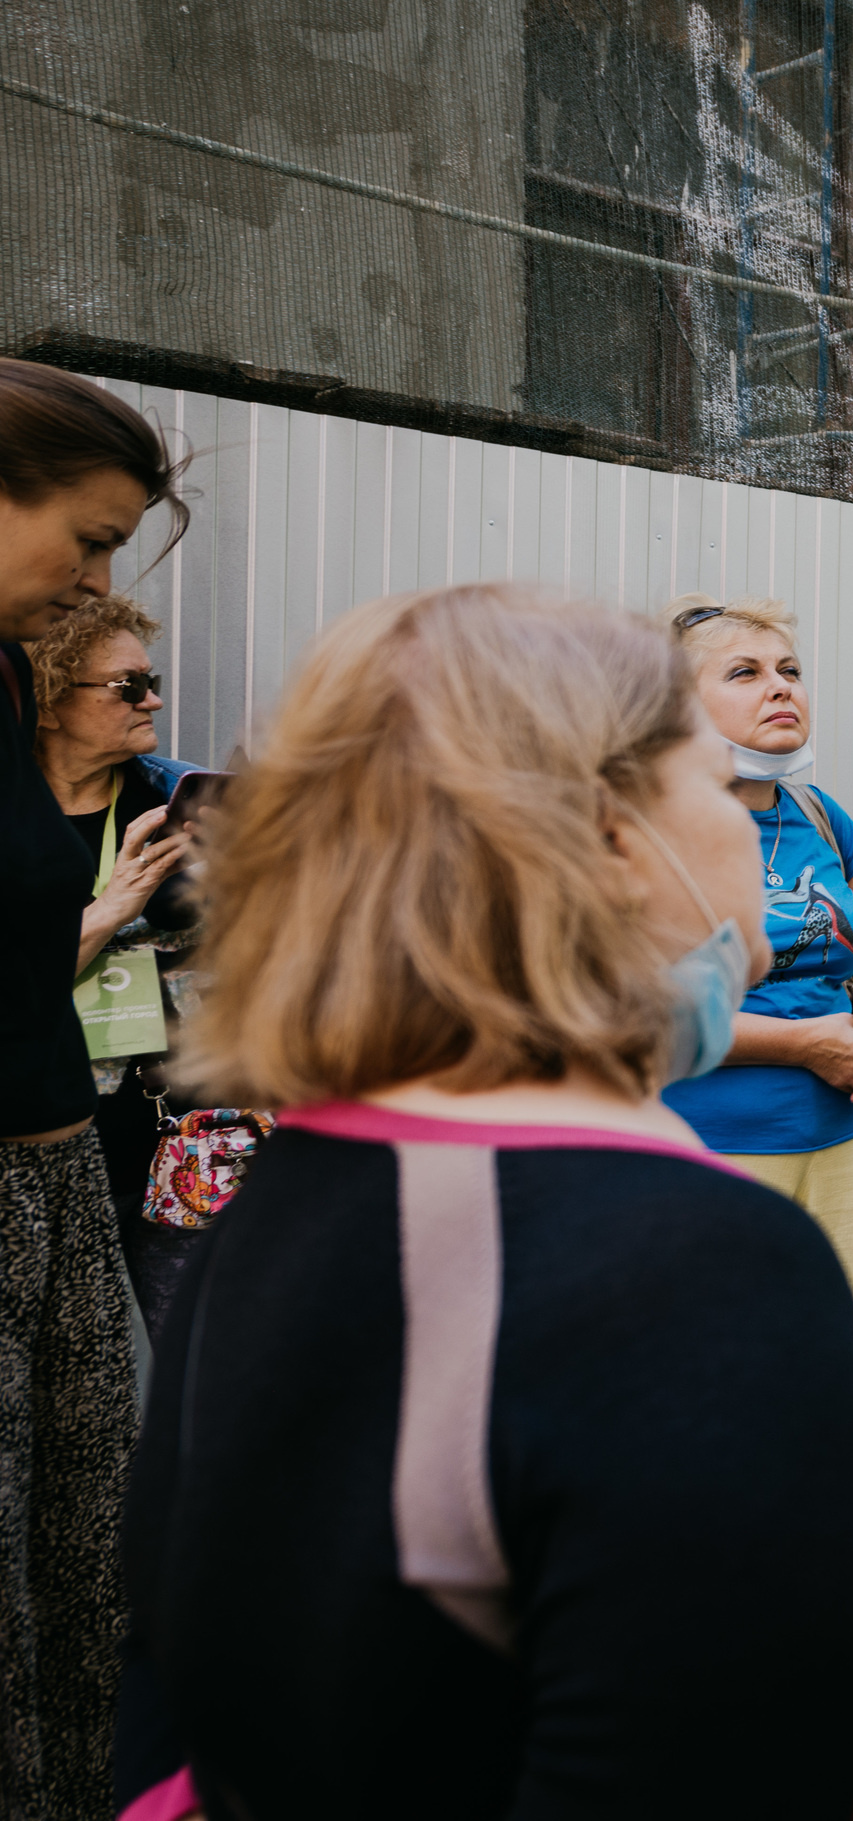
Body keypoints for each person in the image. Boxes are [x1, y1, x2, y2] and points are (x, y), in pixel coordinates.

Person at [117, 585, 853, 1821]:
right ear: (619, 847)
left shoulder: (313, 1180)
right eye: (706, 778)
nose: (743, 808)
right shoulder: (691, 1266)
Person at [0, 357, 186, 1821]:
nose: (97, 575)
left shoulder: (5, 672)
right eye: (91, 535)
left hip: (64, 1157)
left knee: (79, 1544)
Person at [658, 594, 853, 1388]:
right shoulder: (645, 830)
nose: (782, 688)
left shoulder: (820, 813)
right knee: (727, 1397)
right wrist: (810, 1045)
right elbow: (637, 1010)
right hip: (714, 1152)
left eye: (791, 671)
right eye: (745, 672)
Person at [30, 594, 210, 1339]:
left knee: (214, 1360)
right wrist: (114, 905)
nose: (155, 699)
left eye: (152, 677)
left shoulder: (185, 799)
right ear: (47, 699)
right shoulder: (14, 822)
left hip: (188, 1133)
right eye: (128, 685)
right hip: (45, 1138)